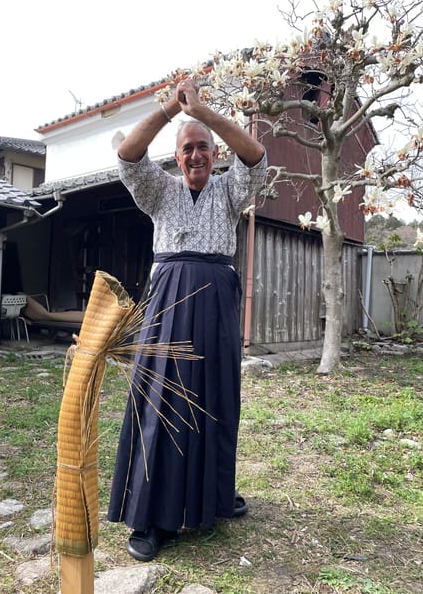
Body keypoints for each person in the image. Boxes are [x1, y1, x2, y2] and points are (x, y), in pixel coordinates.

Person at [107, 78, 267, 561]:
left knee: (216, 398)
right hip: (167, 307)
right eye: (186, 149)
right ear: (175, 157)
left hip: (216, 304)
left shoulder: (230, 190)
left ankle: (214, 497)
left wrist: (205, 112)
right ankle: (151, 518)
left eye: (203, 149)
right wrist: (170, 111)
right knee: (161, 404)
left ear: (214, 154)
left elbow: (256, 156)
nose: (195, 156)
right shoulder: (159, 191)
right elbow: (128, 157)